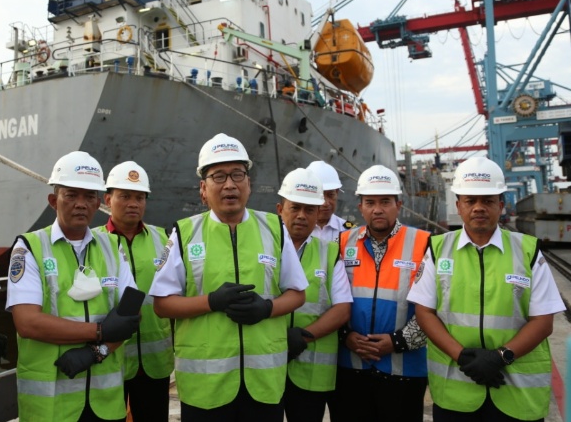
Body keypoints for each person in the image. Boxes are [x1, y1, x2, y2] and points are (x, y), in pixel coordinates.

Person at [149, 133, 307, 421]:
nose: (230, 184)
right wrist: (211, 301)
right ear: (203, 188)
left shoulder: (275, 229)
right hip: (205, 388)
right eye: (218, 176)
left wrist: (267, 308)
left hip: (263, 386)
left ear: (249, 183)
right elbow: (162, 304)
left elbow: (298, 293)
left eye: (238, 174)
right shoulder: (183, 234)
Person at [408, 156, 565, 422]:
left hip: (516, 394)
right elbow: (424, 312)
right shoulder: (437, 249)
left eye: (488, 201)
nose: (479, 207)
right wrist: (462, 356)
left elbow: (543, 320)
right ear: (458, 205)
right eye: (470, 200)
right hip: (456, 393)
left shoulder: (528, 251)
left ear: (501, 206)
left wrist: (501, 356)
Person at [7, 151, 140, 422]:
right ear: (53, 200)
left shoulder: (113, 247)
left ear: (98, 203)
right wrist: (100, 331)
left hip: (105, 404)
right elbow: (27, 322)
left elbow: (129, 316)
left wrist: (96, 352)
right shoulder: (29, 247)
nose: (81, 204)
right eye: (71, 195)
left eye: (90, 196)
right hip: (51, 407)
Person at [330, 165, 430, 422]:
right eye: (370, 202)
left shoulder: (425, 243)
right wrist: (346, 336)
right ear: (360, 206)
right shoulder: (341, 244)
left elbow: (434, 307)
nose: (377, 209)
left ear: (399, 204)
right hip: (350, 369)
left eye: (385, 201)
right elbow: (325, 301)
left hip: (405, 370)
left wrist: (397, 341)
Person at [93, 161, 173, 422]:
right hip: (112, 360)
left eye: (139, 197)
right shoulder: (94, 243)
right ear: (108, 199)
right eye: (124, 196)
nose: (133, 203)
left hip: (155, 364)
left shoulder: (164, 240)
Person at [276, 168, 352, 422]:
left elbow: (342, 308)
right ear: (280, 209)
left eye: (309, 210)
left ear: (318, 212)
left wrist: (304, 336)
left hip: (311, 371)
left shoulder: (330, 253)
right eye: (294, 207)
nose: (301, 216)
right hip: (265, 366)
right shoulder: (262, 245)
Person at [307, 160, 349, 242]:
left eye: (331, 195)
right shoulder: (293, 229)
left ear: (337, 193)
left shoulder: (349, 230)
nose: (325, 203)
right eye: (320, 196)